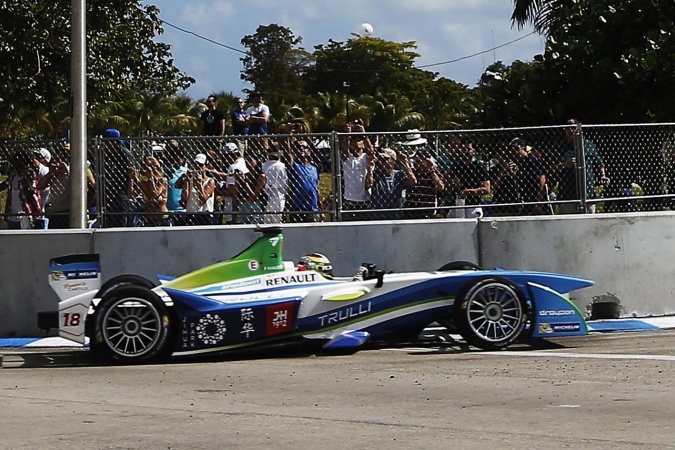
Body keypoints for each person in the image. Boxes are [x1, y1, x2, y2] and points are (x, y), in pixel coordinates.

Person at [551, 118, 609, 214]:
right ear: (564, 130)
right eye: (568, 128)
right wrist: (564, 165)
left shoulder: (588, 145)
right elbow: (551, 168)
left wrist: (603, 175)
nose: (571, 130)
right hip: (568, 194)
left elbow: (600, 163)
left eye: (573, 127)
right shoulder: (560, 147)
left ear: (579, 129)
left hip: (588, 193)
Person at [340, 119, 375, 220]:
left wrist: (364, 134)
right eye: (353, 138)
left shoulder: (366, 157)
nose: (356, 141)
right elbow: (344, 150)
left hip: (365, 201)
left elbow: (371, 152)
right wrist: (347, 134)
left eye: (359, 139)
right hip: (349, 201)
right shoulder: (347, 158)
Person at [1, 149, 44, 229]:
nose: (14, 164)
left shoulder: (29, 173)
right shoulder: (13, 176)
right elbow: (4, 185)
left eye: (17, 161)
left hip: (25, 215)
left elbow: (31, 188)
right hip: (12, 216)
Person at [446, 140, 490, 218]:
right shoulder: (456, 166)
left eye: (468, 149)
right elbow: (448, 184)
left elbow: (487, 189)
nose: (465, 151)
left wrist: (469, 192)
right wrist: (452, 183)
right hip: (457, 203)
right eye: (463, 149)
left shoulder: (479, 168)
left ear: (473, 151)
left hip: (472, 205)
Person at [370, 148, 416, 219]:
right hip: (378, 215)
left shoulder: (399, 175)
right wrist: (370, 168)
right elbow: (367, 185)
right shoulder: (376, 174)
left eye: (386, 159)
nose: (382, 162)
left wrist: (405, 163)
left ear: (393, 160)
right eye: (380, 159)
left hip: (396, 214)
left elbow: (413, 181)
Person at [101, 128, 133, 227]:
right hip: (107, 191)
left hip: (120, 191)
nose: (106, 144)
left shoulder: (124, 153)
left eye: (108, 141)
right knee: (108, 221)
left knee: (120, 220)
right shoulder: (105, 154)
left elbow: (130, 173)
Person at [286, 139, 322, 223]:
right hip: (297, 209)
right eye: (298, 147)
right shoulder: (294, 166)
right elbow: (287, 153)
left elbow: (317, 189)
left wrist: (321, 210)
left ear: (309, 151)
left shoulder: (314, 169)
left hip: (313, 209)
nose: (301, 148)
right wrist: (288, 135)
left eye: (304, 147)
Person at [176, 153, 216, 226]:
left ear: (205, 166)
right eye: (196, 165)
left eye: (201, 165)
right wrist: (186, 180)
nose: (198, 168)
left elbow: (203, 200)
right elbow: (183, 196)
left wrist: (199, 185)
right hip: (191, 213)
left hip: (205, 214)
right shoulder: (190, 178)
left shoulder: (210, 181)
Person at [404, 149, 445, 219]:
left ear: (426, 161)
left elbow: (440, 187)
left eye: (419, 161)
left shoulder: (434, 172)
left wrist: (431, 170)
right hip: (410, 210)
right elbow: (411, 182)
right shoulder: (413, 172)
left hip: (428, 210)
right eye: (415, 161)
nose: (416, 163)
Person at [130, 156, 170, 227]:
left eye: (148, 166)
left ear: (155, 167)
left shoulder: (163, 180)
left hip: (162, 220)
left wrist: (151, 177)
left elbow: (155, 195)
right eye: (144, 166)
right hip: (149, 220)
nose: (145, 169)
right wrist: (131, 179)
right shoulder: (144, 181)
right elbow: (131, 195)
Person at [37, 146, 70, 228]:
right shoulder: (54, 173)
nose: (58, 161)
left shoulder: (73, 172)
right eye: (56, 159)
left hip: (69, 211)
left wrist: (67, 172)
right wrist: (50, 173)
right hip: (55, 211)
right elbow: (40, 186)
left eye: (61, 158)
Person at [220, 142, 249, 224]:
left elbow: (232, 191)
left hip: (233, 206)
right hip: (244, 204)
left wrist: (218, 191)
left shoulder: (233, 167)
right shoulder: (243, 162)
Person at [163, 140, 188, 224]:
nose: (176, 162)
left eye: (178, 159)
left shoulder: (186, 171)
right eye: (174, 159)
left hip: (183, 209)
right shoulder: (166, 171)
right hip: (170, 210)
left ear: (183, 159)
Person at [261, 146, 288, 224]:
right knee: (278, 217)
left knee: (267, 218)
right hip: (280, 192)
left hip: (267, 192)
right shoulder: (282, 165)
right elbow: (285, 180)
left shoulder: (264, 165)